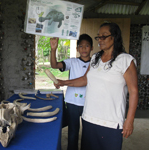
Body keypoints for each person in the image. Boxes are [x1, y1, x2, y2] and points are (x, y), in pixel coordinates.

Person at [54, 22, 138, 150]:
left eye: (104, 36)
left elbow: (134, 91)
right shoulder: (95, 59)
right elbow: (84, 79)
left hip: (110, 121)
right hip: (89, 119)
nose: (100, 40)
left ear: (114, 37)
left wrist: (129, 120)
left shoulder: (125, 60)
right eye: (98, 36)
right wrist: (63, 82)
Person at [50, 34, 93, 150]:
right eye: (81, 46)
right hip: (72, 102)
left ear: (92, 48)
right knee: (73, 132)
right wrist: (53, 50)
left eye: (87, 46)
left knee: (88, 134)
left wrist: (63, 82)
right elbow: (54, 65)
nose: (84, 49)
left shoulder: (95, 64)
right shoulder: (72, 62)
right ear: (77, 48)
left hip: (89, 103)